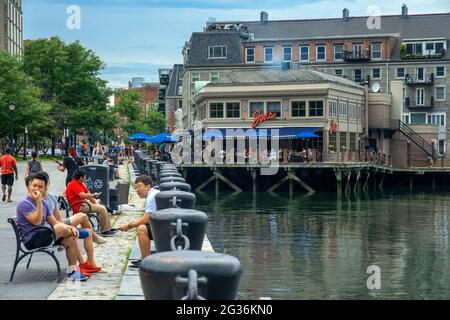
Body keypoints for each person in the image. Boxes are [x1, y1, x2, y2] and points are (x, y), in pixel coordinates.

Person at [16, 173, 88, 281]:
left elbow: (54, 222)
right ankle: (75, 231)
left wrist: (70, 227)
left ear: (45, 189)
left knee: (71, 239)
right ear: (29, 186)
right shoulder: (24, 203)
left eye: (40, 187)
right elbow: (37, 222)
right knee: (60, 229)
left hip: (46, 235)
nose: (36, 189)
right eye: (34, 185)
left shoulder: (44, 203)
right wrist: (39, 201)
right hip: (32, 239)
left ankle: (72, 272)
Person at [40, 171, 104, 277]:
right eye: (35, 186)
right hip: (51, 230)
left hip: (57, 224)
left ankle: (88, 264)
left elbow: (58, 219)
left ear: (48, 184)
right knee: (73, 236)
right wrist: (69, 228)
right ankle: (79, 267)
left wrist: (67, 226)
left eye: (42, 186)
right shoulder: (37, 201)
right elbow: (46, 222)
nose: (39, 189)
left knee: (87, 230)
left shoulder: (50, 196)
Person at [119, 175, 160, 268]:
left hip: (167, 229)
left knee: (141, 229)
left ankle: (146, 261)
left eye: (139, 186)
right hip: (166, 225)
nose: (137, 190)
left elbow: (147, 219)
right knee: (143, 227)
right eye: (135, 188)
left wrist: (129, 225)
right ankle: (145, 258)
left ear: (148, 186)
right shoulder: (154, 194)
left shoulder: (152, 197)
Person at [65, 169, 117, 237]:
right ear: (81, 177)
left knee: (100, 204)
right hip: (79, 206)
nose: (86, 178)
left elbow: (88, 194)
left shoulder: (80, 183)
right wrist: (94, 195)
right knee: (102, 209)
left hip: (83, 203)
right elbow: (83, 195)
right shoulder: (73, 184)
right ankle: (104, 231)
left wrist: (95, 202)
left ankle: (108, 228)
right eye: (85, 176)